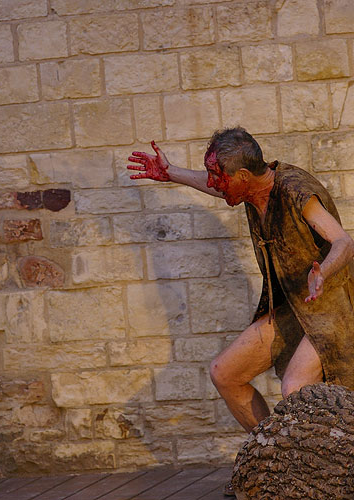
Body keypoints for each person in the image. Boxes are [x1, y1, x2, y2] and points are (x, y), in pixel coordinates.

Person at [128, 127, 354, 497]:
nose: (215, 184)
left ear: (243, 177)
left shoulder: (296, 190)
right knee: (226, 373)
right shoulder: (250, 189)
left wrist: (322, 272)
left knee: (295, 388)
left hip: (332, 307)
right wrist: (169, 173)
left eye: (220, 177)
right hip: (292, 307)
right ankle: (281, 461)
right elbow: (213, 184)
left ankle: (307, 474)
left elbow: (344, 242)